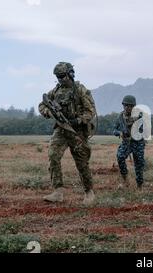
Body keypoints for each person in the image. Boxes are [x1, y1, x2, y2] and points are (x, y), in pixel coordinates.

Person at [38, 62, 97, 205]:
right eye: (58, 77)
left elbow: (90, 111)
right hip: (61, 129)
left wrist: (77, 120)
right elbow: (42, 105)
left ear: (71, 74)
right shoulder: (55, 91)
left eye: (63, 76)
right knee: (53, 155)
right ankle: (58, 192)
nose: (60, 79)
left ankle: (89, 192)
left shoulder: (81, 90)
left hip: (77, 131)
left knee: (82, 163)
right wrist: (49, 112)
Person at [114, 95, 146, 189]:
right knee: (120, 157)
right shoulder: (120, 117)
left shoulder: (139, 116)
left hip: (138, 143)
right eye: (126, 105)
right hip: (126, 143)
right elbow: (114, 130)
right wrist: (120, 133)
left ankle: (139, 185)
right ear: (123, 105)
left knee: (139, 164)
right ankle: (125, 179)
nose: (128, 108)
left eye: (130, 106)